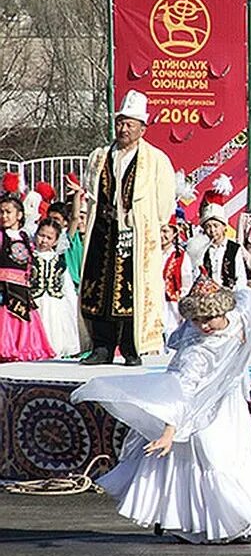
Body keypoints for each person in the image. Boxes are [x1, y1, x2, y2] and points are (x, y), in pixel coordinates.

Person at [71, 276, 251, 544]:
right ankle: (189, 523)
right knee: (208, 456)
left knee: (231, 456)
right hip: (197, 409)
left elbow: (247, 295)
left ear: (224, 311)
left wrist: (224, 283)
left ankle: (235, 523)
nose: (203, 326)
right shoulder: (196, 352)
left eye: (209, 318)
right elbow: (181, 392)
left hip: (228, 403)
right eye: (196, 320)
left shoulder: (241, 315)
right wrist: (168, 431)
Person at [79, 89, 176, 366]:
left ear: (142, 129)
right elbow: (91, 190)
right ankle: (102, 346)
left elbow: (164, 199)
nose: (123, 129)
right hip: (102, 230)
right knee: (99, 286)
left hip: (136, 234)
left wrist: (150, 226)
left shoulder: (156, 160)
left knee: (132, 289)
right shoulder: (100, 156)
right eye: (120, 122)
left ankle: (132, 347)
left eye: (129, 124)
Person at [0, 194, 56, 362]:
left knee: (23, 322)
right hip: (4, 289)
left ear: (19, 215)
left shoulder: (25, 237)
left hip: (22, 289)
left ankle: (22, 348)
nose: (4, 216)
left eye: (8, 212)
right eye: (1, 212)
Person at [31, 218, 81, 357]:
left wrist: (73, 307)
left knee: (55, 330)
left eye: (49, 237)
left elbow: (67, 287)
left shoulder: (59, 261)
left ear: (56, 241)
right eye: (41, 235)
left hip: (56, 303)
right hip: (35, 303)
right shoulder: (30, 258)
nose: (44, 240)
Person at [161, 211, 194, 345]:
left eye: (165, 231)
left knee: (172, 332)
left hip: (172, 303)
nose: (162, 235)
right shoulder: (150, 253)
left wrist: (181, 301)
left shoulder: (181, 255)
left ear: (174, 233)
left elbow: (186, 282)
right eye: (159, 231)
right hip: (154, 302)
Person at [198, 202, 246, 289]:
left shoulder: (234, 248)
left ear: (224, 227)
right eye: (208, 226)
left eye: (216, 226)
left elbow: (241, 278)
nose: (212, 230)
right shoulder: (202, 249)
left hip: (230, 293)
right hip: (208, 294)